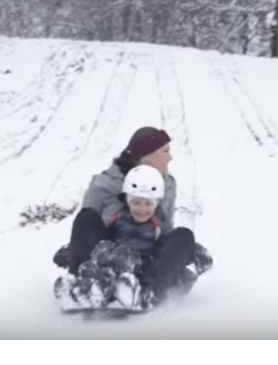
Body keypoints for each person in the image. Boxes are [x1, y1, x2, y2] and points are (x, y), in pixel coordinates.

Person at [53, 126, 212, 308]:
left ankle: (147, 292)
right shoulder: (104, 185)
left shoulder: (167, 186)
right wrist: (74, 251)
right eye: (165, 151)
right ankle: (84, 285)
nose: (170, 157)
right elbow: (86, 230)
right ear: (147, 158)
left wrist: (187, 249)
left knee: (183, 235)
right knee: (86, 217)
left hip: (147, 257)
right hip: (107, 254)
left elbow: (165, 230)